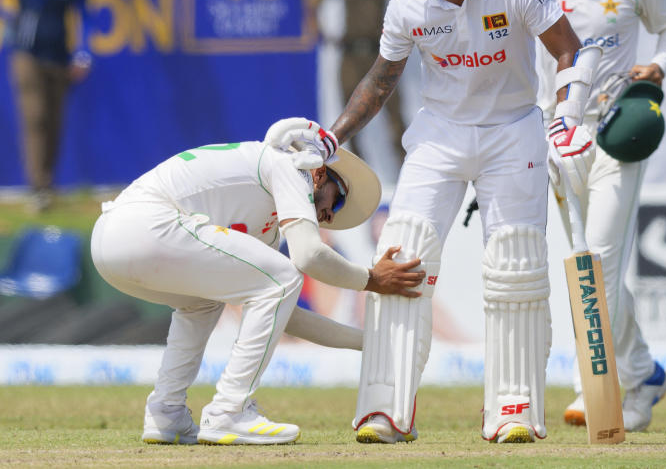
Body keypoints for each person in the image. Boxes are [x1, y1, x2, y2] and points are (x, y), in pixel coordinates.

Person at [265, 0, 592, 444]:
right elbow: (380, 79)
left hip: (514, 131)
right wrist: (332, 139)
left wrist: (567, 116)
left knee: (515, 263)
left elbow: (569, 49)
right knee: (402, 255)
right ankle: (385, 409)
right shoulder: (409, 0)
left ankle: (514, 408)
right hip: (440, 135)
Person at [90, 137, 425, 445]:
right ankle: (229, 411)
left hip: (113, 241)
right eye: (336, 204)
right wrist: (371, 279)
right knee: (282, 277)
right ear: (320, 174)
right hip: (144, 225)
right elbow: (307, 257)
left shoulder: (266, 222)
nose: (327, 216)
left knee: (204, 302)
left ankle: (166, 413)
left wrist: (367, 341)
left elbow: (284, 314)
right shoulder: (290, 166)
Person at [529, 0, 666, 432]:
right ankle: (644, 373)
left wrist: (660, 66)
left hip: (617, 129)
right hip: (557, 134)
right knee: (589, 262)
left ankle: (591, 386)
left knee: (595, 261)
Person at [0, 0, 90, 212]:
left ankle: (47, 184)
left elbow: (87, 16)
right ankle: (38, 186)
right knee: (35, 117)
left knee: (54, 122)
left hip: (59, 57)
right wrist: (10, 20)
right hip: (27, 54)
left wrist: (83, 53)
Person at [319, 0, 406, 172]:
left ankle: (404, 170)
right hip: (350, 54)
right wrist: (324, 33)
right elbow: (314, 3)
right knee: (351, 116)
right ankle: (360, 174)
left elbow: (406, 0)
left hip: (380, 52)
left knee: (394, 115)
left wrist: (400, 33)